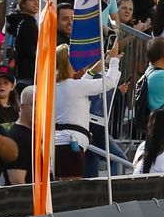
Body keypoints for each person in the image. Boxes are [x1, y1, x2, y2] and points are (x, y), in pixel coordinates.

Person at [53, 45, 125, 179]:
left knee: (57, 189)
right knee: (71, 190)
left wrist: (91, 72)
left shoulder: (55, 87)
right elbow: (109, 83)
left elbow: (76, 89)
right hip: (71, 146)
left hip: (56, 145)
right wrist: (114, 60)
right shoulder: (75, 86)